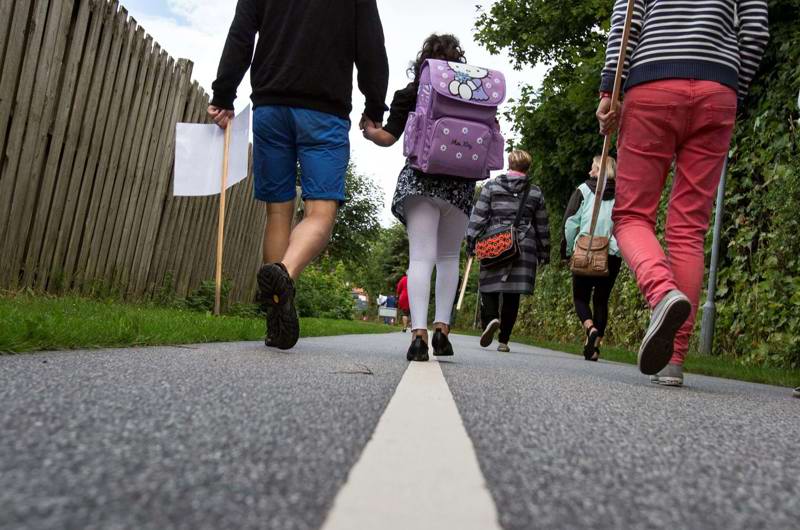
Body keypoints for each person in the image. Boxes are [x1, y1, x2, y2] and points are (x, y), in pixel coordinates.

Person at [596, 0, 769, 384]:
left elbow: (626, 24)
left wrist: (609, 90)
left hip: (652, 86)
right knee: (689, 228)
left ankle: (662, 294)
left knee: (631, 216)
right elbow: (756, 30)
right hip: (717, 91)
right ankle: (674, 360)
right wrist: (732, 89)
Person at [208, 0, 389, 350]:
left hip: (271, 106)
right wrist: (374, 106)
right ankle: (284, 276)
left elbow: (241, 35)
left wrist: (224, 94)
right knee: (320, 212)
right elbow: (371, 47)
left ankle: (275, 320)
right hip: (324, 111)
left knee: (278, 212)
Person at [362, 34, 476, 362]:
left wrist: (370, 132)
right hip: (460, 186)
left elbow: (387, 137)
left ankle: (418, 335)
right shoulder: (471, 97)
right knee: (449, 258)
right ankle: (443, 330)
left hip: (420, 183)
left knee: (421, 259)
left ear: (423, 60)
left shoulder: (410, 93)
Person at [466, 150, 550, 353]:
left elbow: (480, 215)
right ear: (527, 167)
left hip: (495, 241)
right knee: (513, 293)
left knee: (488, 284)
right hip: (523, 244)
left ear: (509, 164)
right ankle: (504, 340)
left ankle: (491, 318)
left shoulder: (492, 186)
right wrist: (544, 251)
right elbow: (542, 224)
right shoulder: (535, 192)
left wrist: (471, 240)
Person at [562, 156, 622, 362]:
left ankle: (590, 328)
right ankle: (595, 348)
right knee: (601, 300)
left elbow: (570, 222)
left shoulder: (584, 190)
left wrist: (568, 249)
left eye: (593, 168)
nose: (589, 172)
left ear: (599, 171)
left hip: (586, 250)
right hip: (611, 253)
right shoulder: (622, 194)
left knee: (580, 297)